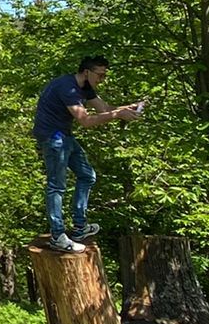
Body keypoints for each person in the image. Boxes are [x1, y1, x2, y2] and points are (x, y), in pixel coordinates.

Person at [32, 55, 142, 253]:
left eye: (104, 75)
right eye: (99, 75)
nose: (102, 79)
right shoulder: (68, 88)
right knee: (57, 185)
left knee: (87, 175)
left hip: (64, 135)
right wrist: (118, 115)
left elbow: (104, 109)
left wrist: (127, 108)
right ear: (86, 72)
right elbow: (86, 121)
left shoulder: (85, 87)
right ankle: (57, 235)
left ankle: (79, 228)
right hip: (53, 138)